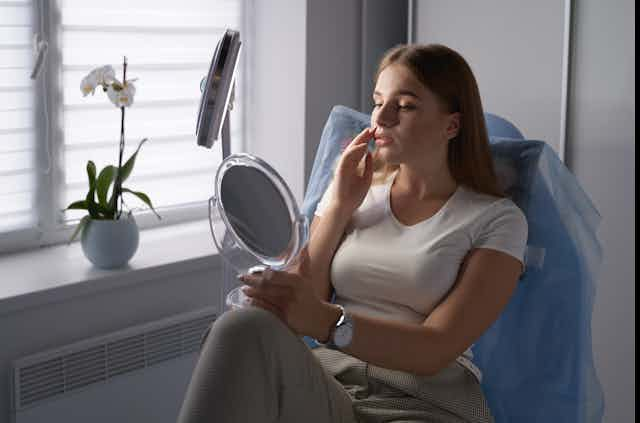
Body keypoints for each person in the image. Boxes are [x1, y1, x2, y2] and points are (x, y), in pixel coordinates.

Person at [177, 44, 528, 423]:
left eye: (405, 105)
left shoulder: (497, 220)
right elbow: (304, 298)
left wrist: (328, 321)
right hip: (331, 385)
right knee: (239, 327)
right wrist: (341, 206)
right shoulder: (353, 190)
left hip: (424, 402)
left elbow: (435, 349)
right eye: (378, 102)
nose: (382, 118)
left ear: (452, 125)